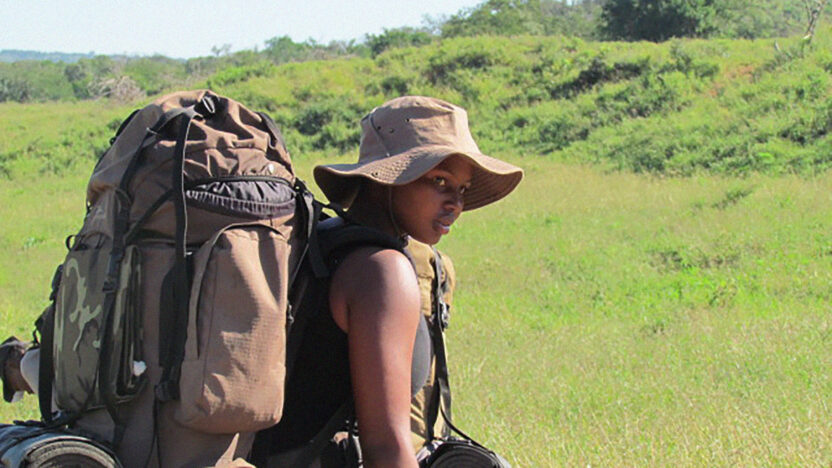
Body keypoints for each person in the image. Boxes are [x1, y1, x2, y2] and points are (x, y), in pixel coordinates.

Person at [254, 95, 523, 467]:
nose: (456, 203)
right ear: (387, 178)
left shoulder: (329, 239)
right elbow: (386, 447)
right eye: (440, 181)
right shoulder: (383, 272)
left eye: (462, 189)